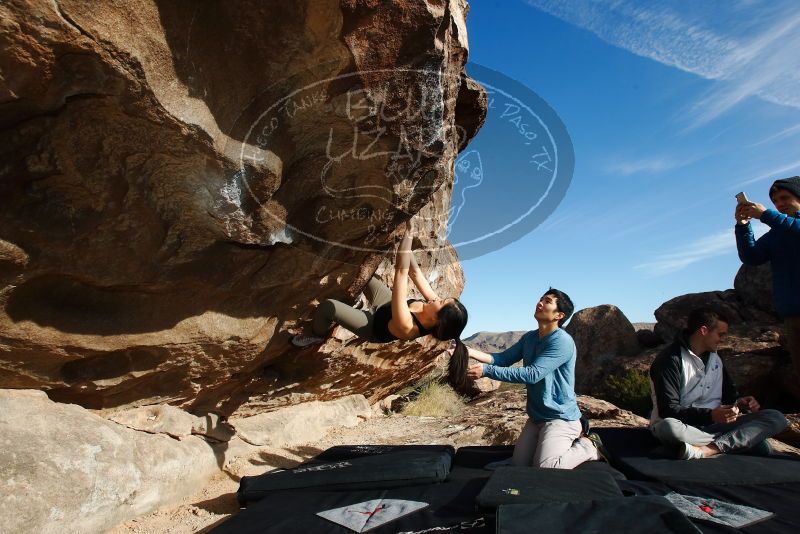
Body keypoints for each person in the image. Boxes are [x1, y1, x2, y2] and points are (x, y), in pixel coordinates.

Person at [291, 230, 470, 388]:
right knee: (362, 273)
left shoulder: (408, 327)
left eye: (441, 302)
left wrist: (408, 235)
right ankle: (354, 306)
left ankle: (316, 335)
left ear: (438, 320)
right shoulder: (433, 307)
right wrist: (404, 238)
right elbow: (414, 272)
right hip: (386, 305)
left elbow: (401, 272)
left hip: (373, 326)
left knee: (328, 307)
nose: (436, 298)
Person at [465, 289, 605, 469]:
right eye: (540, 299)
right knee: (519, 466)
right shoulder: (530, 337)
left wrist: (486, 371)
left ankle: (588, 447)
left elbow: (532, 374)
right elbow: (502, 359)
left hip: (560, 418)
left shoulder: (562, 341)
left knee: (547, 468)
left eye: (547, 301)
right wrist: (466, 350)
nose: (540, 303)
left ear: (559, 315)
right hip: (537, 417)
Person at [649, 308, 787, 460]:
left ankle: (709, 449)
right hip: (686, 427)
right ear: (703, 330)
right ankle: (741, 441)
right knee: (668, 428)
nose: (723, 339)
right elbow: (668, 410)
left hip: (714, 428)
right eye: (720, 334)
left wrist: (741, 402)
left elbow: (729, 396)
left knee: (776, 417)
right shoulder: (670, 360)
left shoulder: (716, 359)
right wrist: (711, 415)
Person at [735, 176, 800, 380]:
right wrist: (743, 226)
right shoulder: (777, 233)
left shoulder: (787, 226)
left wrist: (766, 214)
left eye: (784, 198)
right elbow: (751, 257)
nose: (779, 204)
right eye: (775, 201)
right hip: (792, 314)